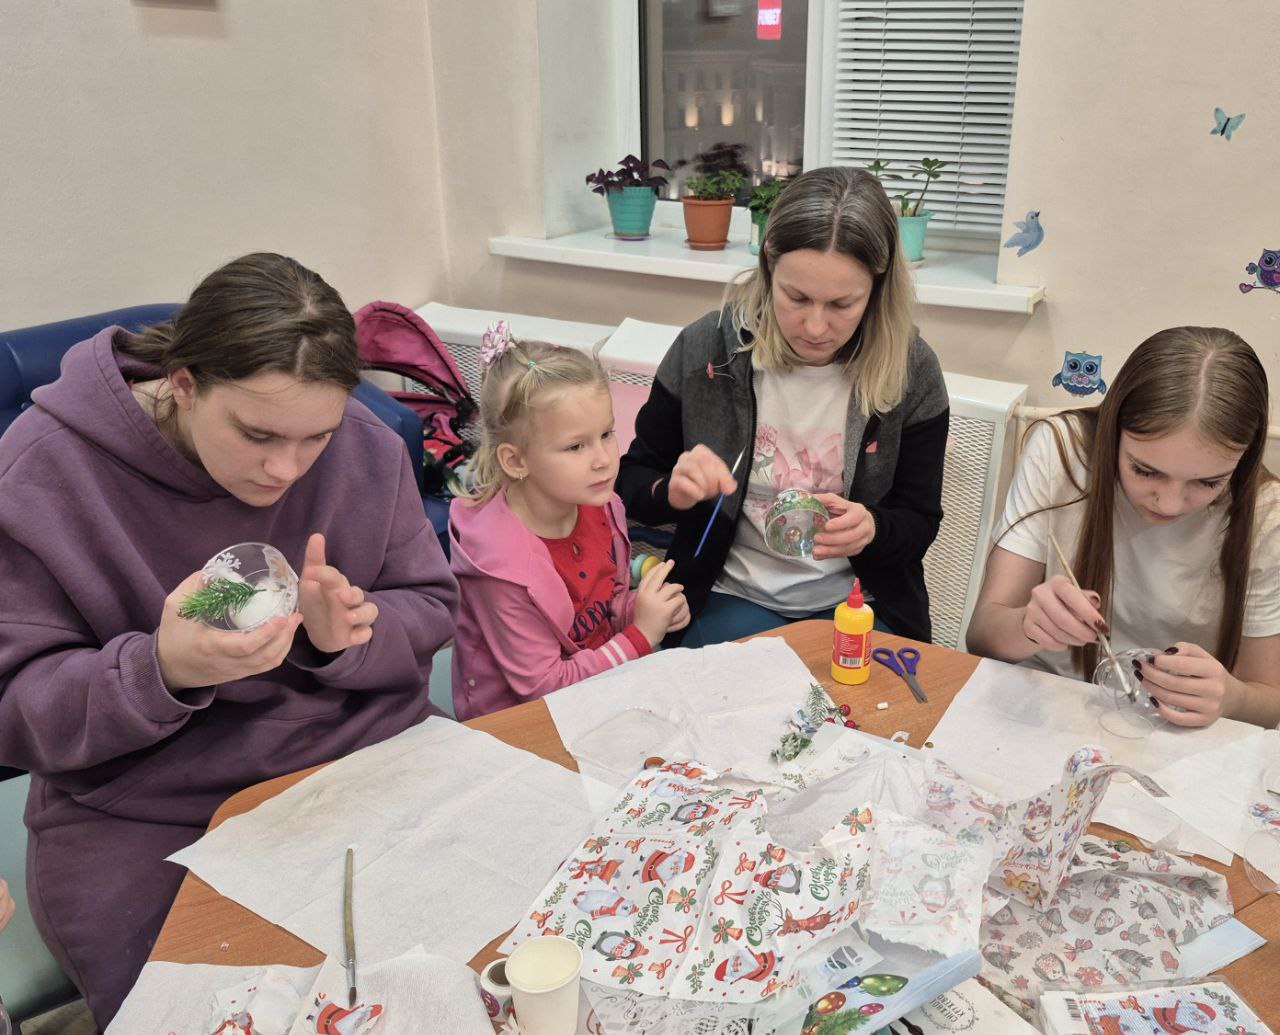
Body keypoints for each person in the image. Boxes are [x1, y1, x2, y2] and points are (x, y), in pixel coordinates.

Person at [0, 253, 458, 1027]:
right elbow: (15, 710)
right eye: (256, 433)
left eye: (316, 437)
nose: (285, 468)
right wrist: (158, 670)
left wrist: (346, 635)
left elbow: (432, 605)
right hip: (152, 805)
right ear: (183, 384)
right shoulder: (44, 473)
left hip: (364, 753)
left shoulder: (365, 446)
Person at [617, 166, 950, 646]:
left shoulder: (912, 370)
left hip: (860, 605)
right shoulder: (705, 349)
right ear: (768, 264)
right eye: (796, 297)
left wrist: (873, 529)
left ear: (877, 290)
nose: (815, 327)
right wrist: (671, 490)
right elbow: (630, 481)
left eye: (842, 305)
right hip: (727, 595)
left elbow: (919, 522)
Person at [966, 326, 1280, 728]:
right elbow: (983, 634)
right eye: (1145, 471)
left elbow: (1268, 699)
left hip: (1171, 730)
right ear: (1113, 430)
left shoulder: (1264, 513)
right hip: (1042, 710)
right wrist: (1029, 626)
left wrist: (1231, 696)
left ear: (1244, 460)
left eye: (1208, 483)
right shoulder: (1063, 452)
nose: (1169, 503)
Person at [449, 323, 689, 720]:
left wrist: (645, 609)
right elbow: (542, 689)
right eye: (576, 446)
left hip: (596, 687)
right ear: (516, 460)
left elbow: (606, 607)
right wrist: (641, 636)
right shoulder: (500, 568)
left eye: (606, 434)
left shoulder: (600, 506)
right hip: (515, 723)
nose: (604, 459)